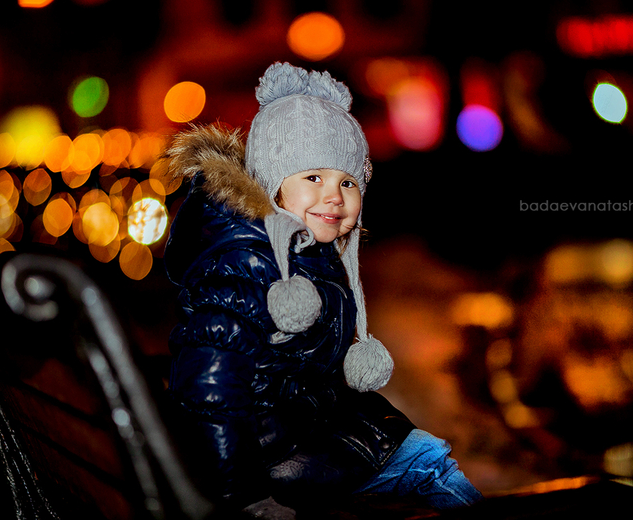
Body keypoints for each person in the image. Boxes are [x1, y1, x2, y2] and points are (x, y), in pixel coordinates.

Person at [163, 62, 482, 514]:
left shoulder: (309, 252)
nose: (335, 195)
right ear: (273, 185)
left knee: (418, 450)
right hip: (262, 454)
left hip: (297, 431)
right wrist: (246, 497)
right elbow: (209, 389)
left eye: (347, 181)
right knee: (426, 464)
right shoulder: (245, 264)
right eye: (313, 177)